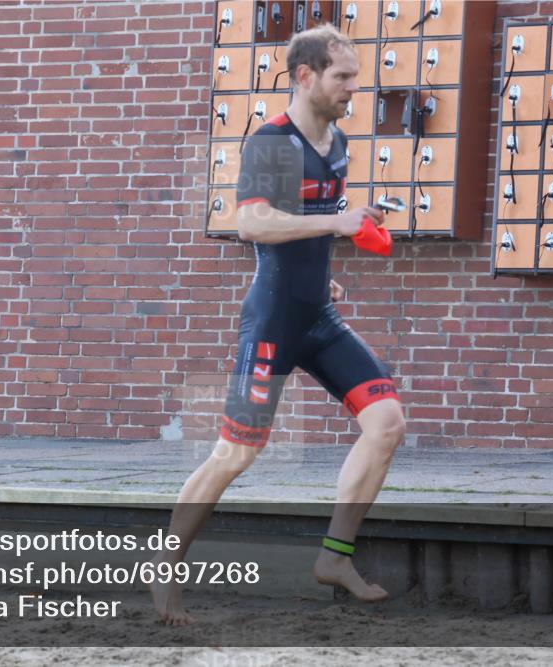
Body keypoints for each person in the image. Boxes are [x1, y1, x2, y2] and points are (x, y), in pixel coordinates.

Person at [150, 24, 406, 626]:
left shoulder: (337, 142)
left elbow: (315, 220)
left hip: (318, 314)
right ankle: (165, 574)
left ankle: (334, 558)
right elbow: (255, 225)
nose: (352, 90)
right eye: (343, 78)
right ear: (305, 76)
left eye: (355, 80)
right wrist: (336, 225)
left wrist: (334, 248)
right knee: (233, 458)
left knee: (386, 421)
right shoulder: (270, 143)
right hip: (271, 321)